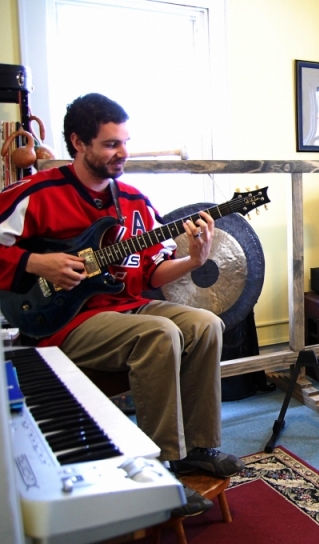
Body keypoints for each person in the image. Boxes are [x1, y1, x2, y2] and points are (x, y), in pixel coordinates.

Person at [0, 93, 244, 516]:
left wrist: (193, 259)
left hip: (124, 307)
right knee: (160, 333)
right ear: (78, 142)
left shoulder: (133, 202)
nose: (123, 152)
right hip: (62, 320)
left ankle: (198, 448)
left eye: (126, 142)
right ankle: (161, 467)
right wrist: (38, 261)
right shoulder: (37, 193)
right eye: (112, 144)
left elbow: (152, 273)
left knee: (205, 323)